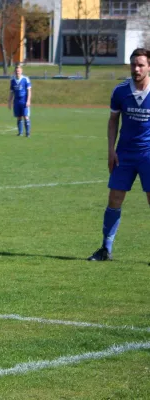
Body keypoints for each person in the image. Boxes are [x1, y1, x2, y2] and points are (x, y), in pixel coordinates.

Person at [88, 48, 150, 261]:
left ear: (149, 66)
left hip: (148, 155)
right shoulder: (121, 91)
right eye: (133, 64)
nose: (136, 69)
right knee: (114, 199)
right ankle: (106, 249)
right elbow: (113, 121)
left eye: (141, 64)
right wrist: (111, 151)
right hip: (124, 154)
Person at [8, 63, 31, 137]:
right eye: (16, 71)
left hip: (24, 100)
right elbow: (11, 92)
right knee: (19, 116)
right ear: (14, 71)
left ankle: (27, 133)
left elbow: (29, 91)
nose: (17, 72)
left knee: (26, 116)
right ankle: (20, 132)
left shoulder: (25, 79)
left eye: (19, 70)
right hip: (16, 101)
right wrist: (9, 102)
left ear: (21, 71)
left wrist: (28, 100)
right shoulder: (12, 80)